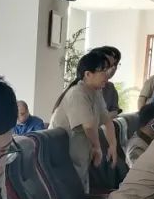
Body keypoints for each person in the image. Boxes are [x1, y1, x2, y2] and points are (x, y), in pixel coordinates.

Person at [49, 50, 118, 190]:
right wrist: (97, 148)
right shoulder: (77, 93)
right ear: (88, 74)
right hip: (64, 159)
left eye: (108, 70)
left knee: (83, 191)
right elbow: (88, 126)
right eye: (103, 71)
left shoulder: (96, 92)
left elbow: (107, 120)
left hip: (80, 157)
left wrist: (113, 146)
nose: (107, 75)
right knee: (75, 194)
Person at [93, 46, 123, 116]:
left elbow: (115, 112)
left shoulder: (110, 87)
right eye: (109, 64)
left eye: (115, 64)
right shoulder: (80, 89)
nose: (113, 68)